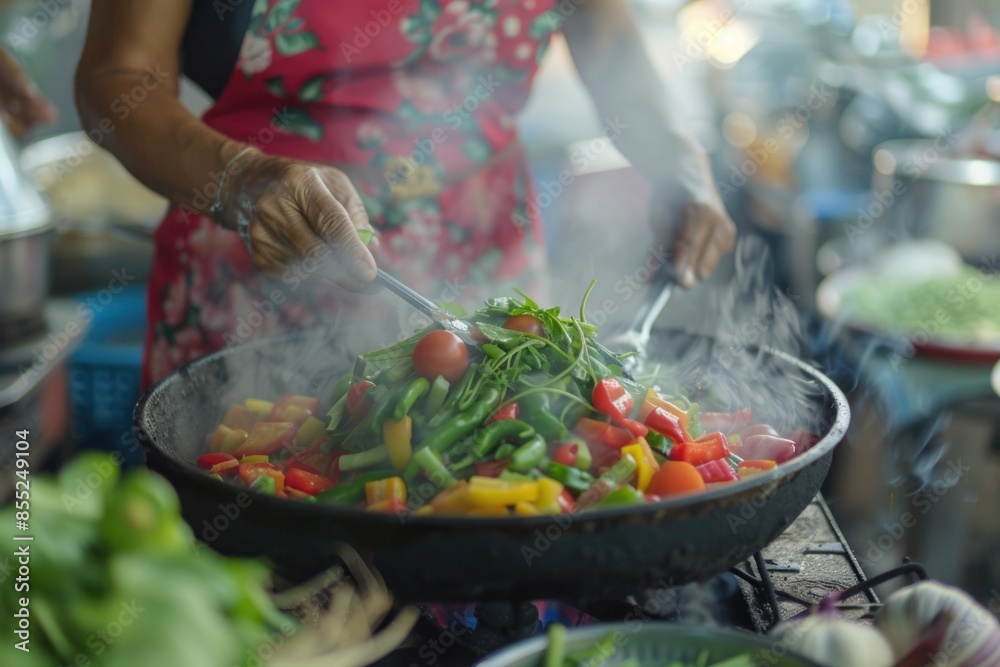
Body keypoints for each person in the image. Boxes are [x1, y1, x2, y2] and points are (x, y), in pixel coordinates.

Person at [74, 0, 736, 389]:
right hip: (258, 264)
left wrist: (679, 162)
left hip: (485, 263)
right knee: (264, 564)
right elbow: (117, 76)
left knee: (496, 532)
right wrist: (242, 183)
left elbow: (608, 36)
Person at [0, 47, 56, 137]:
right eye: (41, 103)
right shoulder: (23, 85)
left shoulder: (20, 127)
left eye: (38, 109)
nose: (37, 103)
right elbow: (3, 56)